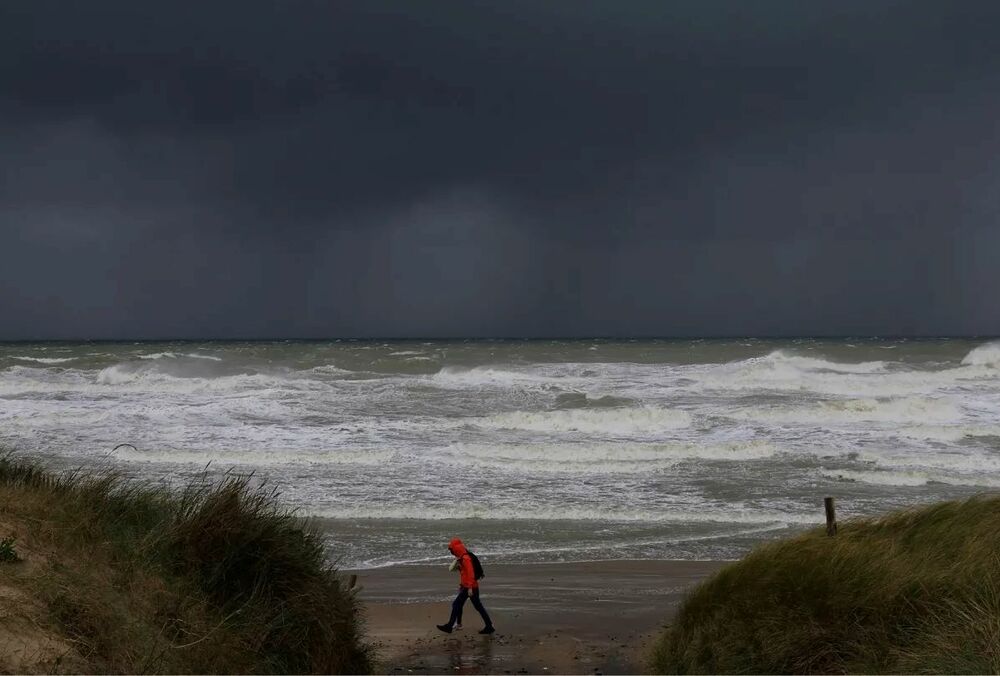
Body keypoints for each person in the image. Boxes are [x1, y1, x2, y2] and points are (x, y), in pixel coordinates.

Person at [436, 537, 495, 635]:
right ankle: (488, 626)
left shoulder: (465, 558)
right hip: (468, 586)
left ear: (456, 549)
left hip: (470, 587)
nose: (452, 553)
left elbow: (471, 574)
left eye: (452, 550)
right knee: (476, 606)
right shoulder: (462, 558)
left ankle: (450, 626)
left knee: (456, 604)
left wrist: (470, 588)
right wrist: (462, 585)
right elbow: (465, 574)